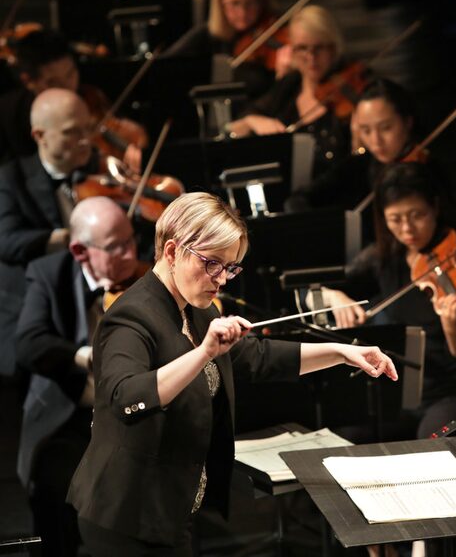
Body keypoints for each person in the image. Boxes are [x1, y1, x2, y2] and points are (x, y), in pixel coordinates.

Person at [66, 192, 397, 555]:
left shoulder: (196, 309)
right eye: (212, 263)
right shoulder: (130, 318)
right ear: (173, 252)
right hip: (126, 514)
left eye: (230, 267)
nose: (222, 278)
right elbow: (127, 397)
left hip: (170, 509)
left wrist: (343, 352)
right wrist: (204, 352)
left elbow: (258, 356)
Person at [310, 163, 456, 441]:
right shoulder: (384, 258)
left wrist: (451, 327)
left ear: (435, 208)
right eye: (395, 219)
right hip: (396, 393)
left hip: (451, 391)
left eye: (417, 215)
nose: (407, 228)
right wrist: (332, 295)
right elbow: (315, 287)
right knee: (342, 438)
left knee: (434, 443)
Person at [16, 197, 139, 557]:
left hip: (130, 415)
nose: (132, 255)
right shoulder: (47, 273)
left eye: (133, 240)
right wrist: (84, 356)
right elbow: (28, 343)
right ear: (80, 251)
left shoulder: (143, 282)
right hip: (69, 417)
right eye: (117, 247)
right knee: (56, 491)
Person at [0, 88, 95, 376]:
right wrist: (67, 237)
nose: (84, 141)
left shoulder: (98, 168)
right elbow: (6, 241)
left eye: (87, 129)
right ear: (40, 136)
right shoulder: (11, 177)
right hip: (38, 307)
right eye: (71, 132)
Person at [226, 5, 352, 178]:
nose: (311, 57)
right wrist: (252, 121)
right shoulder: (290, 84)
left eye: (319, 47)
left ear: (333, 48)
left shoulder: (349, 93)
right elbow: (234, 126)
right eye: (302, 48)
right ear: (292, 49)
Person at [0, 29, 146, 165]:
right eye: (53, 82)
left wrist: (127, 139)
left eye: (70, 74)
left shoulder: (90, 94)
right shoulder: (9, 113)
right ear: (28, 81)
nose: (68, 87)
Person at [284, 77, 422, 212]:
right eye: (366, 130)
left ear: (407, 122)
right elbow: (298, 199)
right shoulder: (361, 163)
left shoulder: (426, 166)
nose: (376, 140)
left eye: (385, 128)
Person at [165, 0, 290, 98]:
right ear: (220, 3)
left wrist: (283, 77)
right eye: (235, 3)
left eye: (250, 2)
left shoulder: (272, 31)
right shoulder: (205, 35)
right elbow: (166, 66)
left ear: (261, 1)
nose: (243, 12)